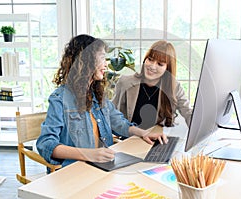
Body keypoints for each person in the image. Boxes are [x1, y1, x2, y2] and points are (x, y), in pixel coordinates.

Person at [36, 34, 168, 169]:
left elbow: (118, 122)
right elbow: (46, 143)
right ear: (86, 60)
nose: (106, 64)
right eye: (102, 58)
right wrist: (88, 154)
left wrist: (143, 133)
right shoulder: (60, 99)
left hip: (105, 166)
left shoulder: (97, 96)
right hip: (76, 170)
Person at [112, 40, 192, 130]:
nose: (152, 66)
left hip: (159, 141)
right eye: (150, 59)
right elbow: (111, 115)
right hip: (129, 139)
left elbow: (188, 113)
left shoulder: (174, 88)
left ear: (167, 69)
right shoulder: (125, 82)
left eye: (160, 64)